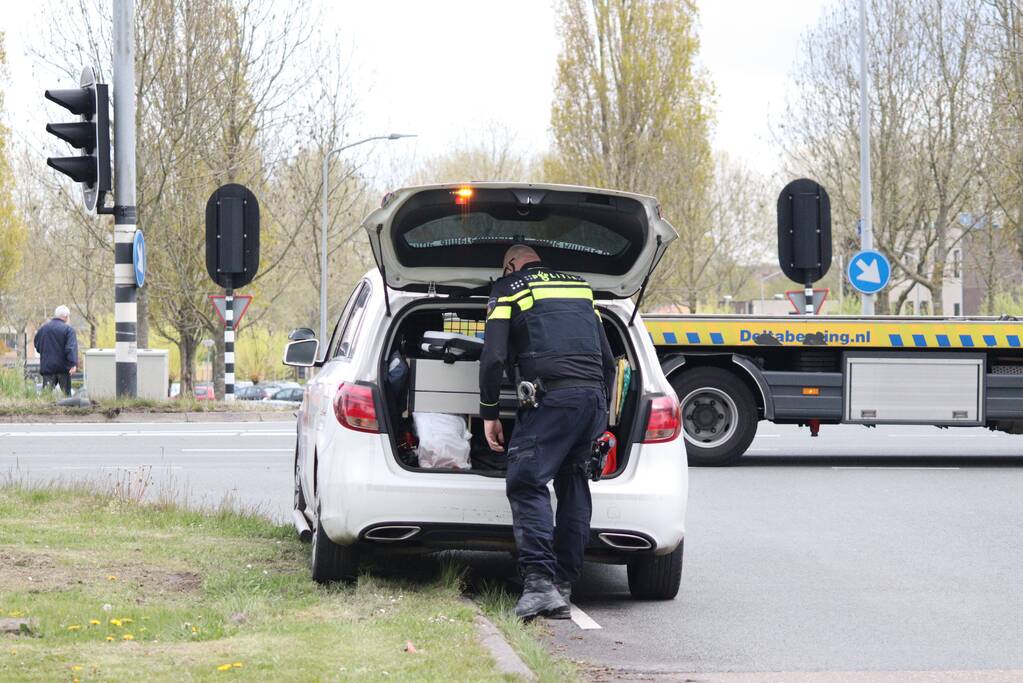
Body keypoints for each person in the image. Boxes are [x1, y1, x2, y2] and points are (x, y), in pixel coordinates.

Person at [479, 245, 615, 620]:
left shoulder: (508, 288)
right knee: (573, 481)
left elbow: (492, 357)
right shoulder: (580, 288)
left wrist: (489, 412)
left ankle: (539, 584)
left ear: (509, 265)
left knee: (526, 481)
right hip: (592, 400)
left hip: (551, 400)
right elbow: (607, 360)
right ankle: (563, 584)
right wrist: (601, 413)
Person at [33, 305, 79, 396]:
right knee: (67, 396)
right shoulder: (69, 330)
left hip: (47, 368)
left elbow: (37, 346)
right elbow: (70, 348)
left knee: (46, 396)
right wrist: (73, 364)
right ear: (66, 316)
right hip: (63, 369)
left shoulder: (43, 329)